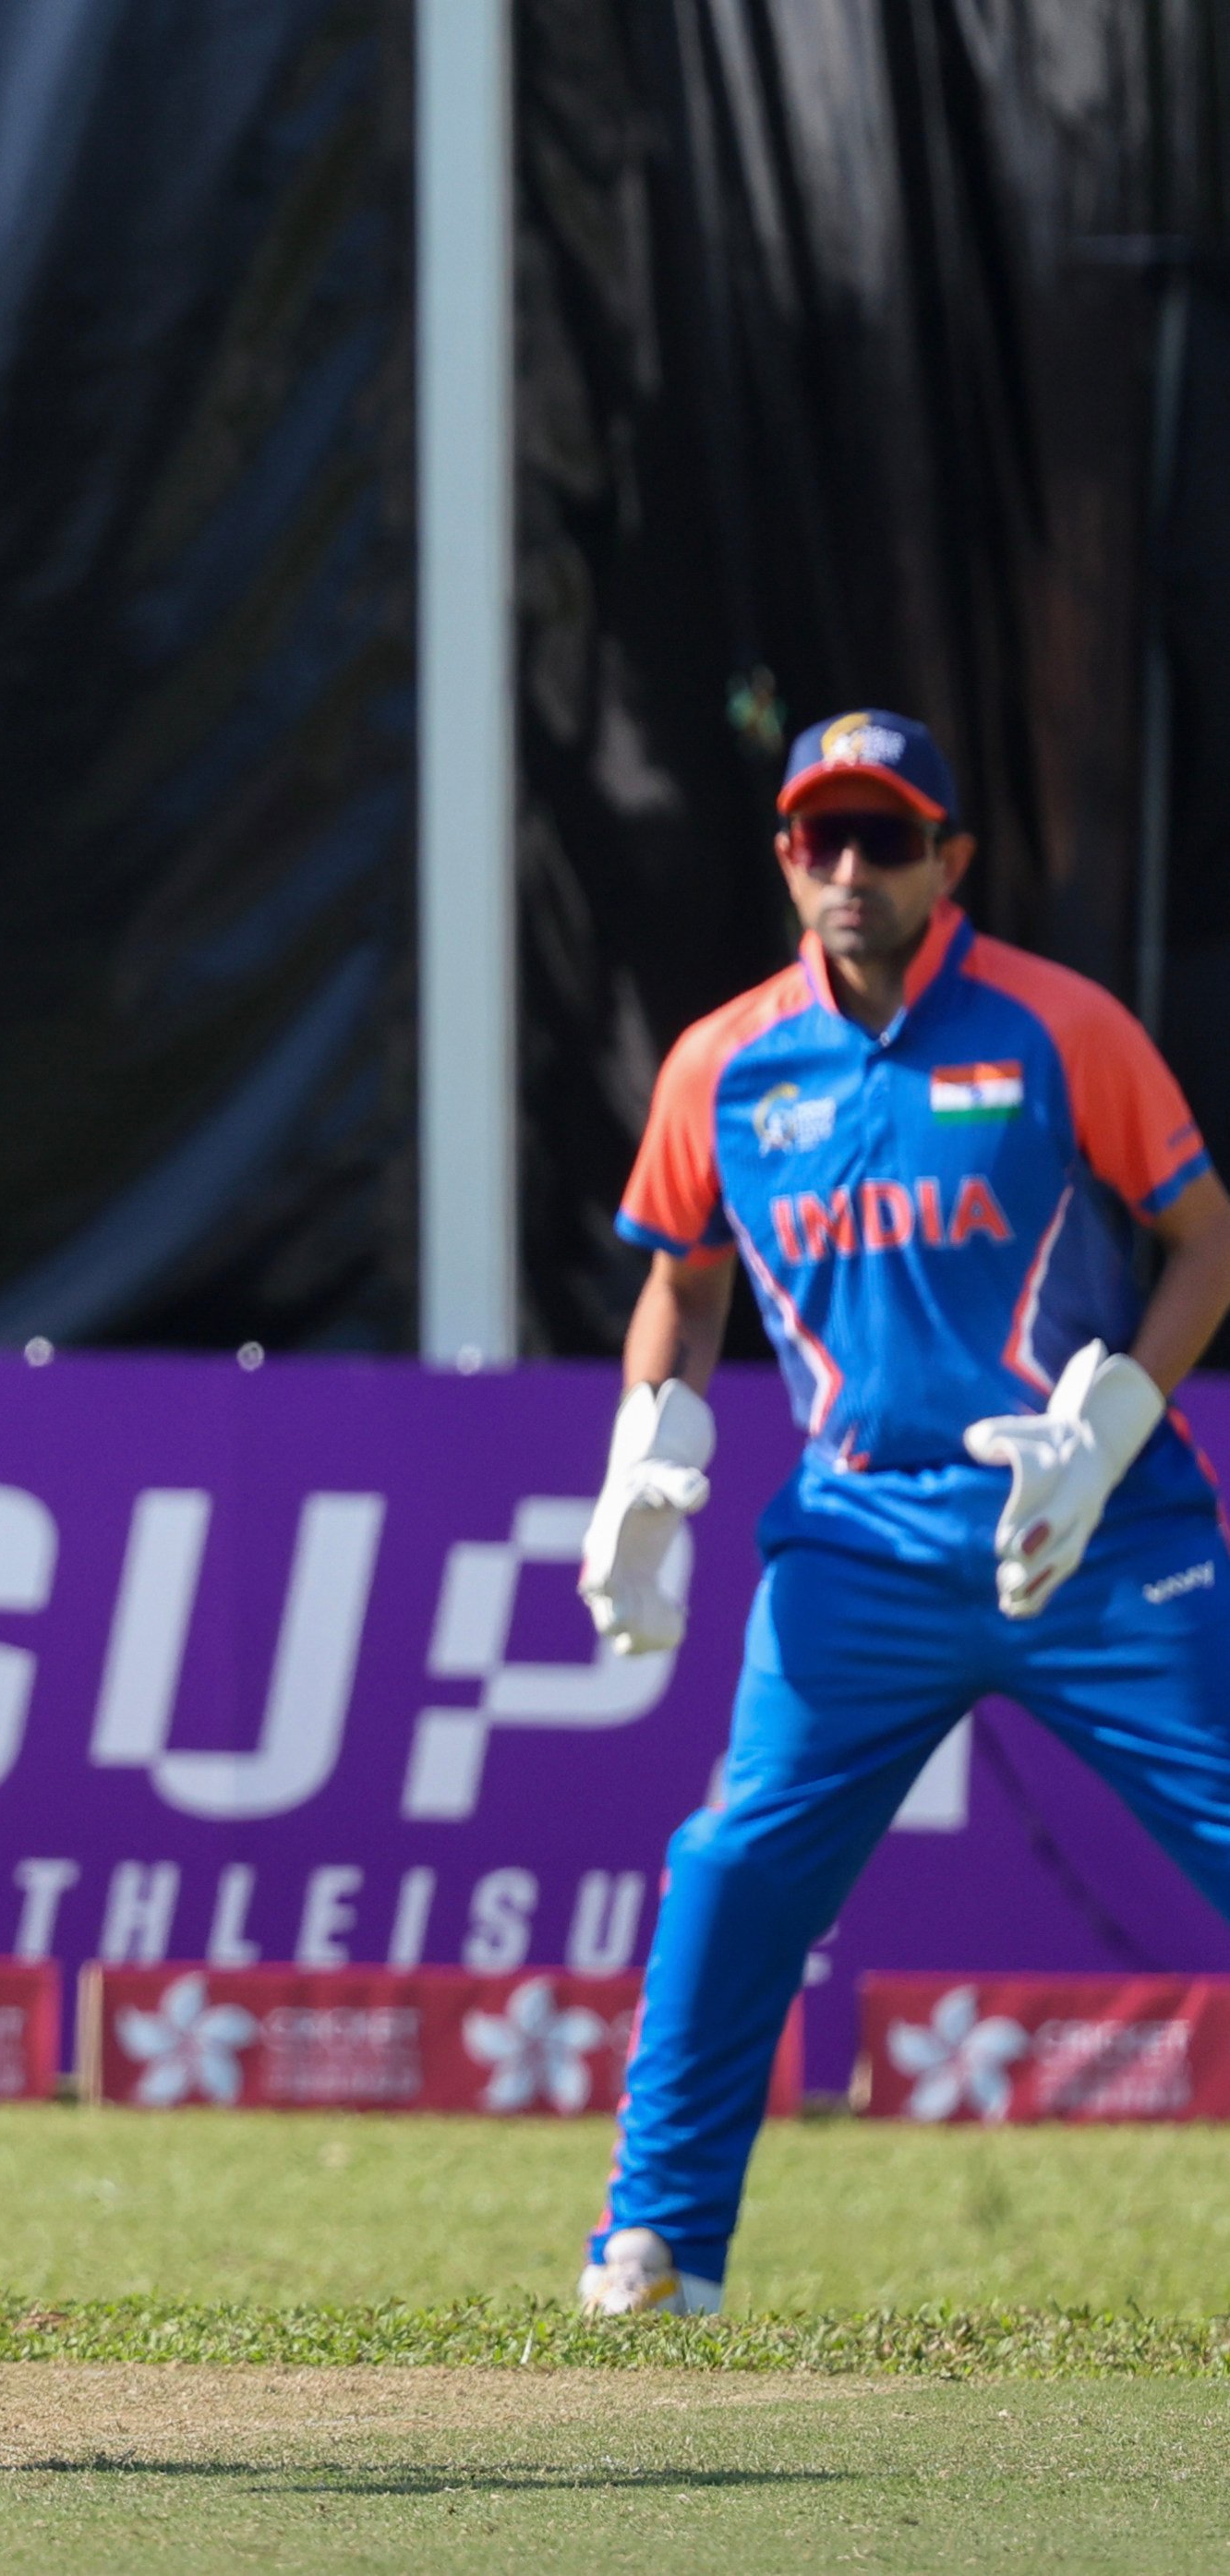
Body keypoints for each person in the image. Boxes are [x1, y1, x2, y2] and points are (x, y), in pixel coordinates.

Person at [575, 707, 1230, 2315]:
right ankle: (660, 2250)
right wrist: (645, 1459)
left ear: (953, 857)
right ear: (787, 856)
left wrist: (1118, 1415)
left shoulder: (1060, 1025)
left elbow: (1208, 1239)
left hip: (1099, 1531)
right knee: (735, 1866)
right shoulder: (725, 1063)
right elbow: (685, 1283)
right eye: (820, 838)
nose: (850, 869)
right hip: (860, 1545)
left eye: (885, 838)